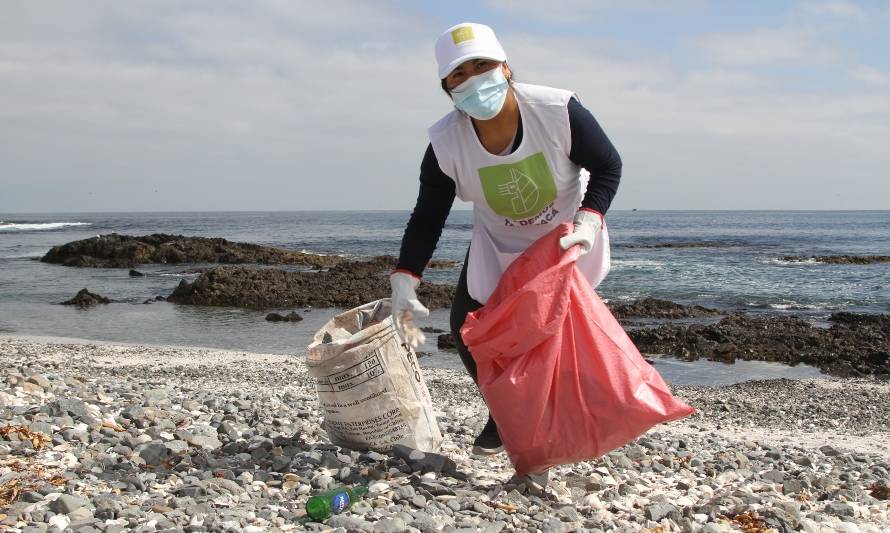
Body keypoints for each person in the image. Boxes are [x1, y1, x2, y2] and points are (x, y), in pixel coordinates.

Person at [390, 22, 622, 487]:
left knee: (549, 341)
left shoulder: (558, 110)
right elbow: (428, 216)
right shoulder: (445, 143)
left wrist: (591, 219)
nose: (473, 79)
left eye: (482, 65)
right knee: (467, 329)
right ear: (447, 89)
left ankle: (553, 439)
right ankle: (505, 411)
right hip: (498, 244)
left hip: (562, 243)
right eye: (459, 74)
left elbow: (608, 165)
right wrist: (405, 278)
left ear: (506, 67)